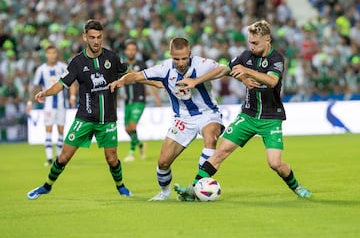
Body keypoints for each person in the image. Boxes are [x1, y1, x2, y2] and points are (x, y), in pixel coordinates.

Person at [174, 20, 312, 201]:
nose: (252, 47)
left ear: (267, 39)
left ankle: (297, 186)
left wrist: (247, 72)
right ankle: (193, 190)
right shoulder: (246, 55)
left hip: (271, 118)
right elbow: (223, 70)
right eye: (250, 42)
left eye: (255, 43)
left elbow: (272, 81)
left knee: (275, 163)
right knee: (220, 152)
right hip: (247, 116)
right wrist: (195, 81)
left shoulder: (276, 59)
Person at [27, 19, 134, 200]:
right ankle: (47, 186)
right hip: (84, 118)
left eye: (99, 37)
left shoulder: (112, 57)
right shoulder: (77, 62)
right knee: (64, 157)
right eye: (92, 37)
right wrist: (45, 93)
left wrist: (142, 80)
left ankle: (121, 186)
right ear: (85, 37)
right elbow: (61, 84)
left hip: (107, 118)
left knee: (112, 158)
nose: (96, 41)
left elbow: (129, 73)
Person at [109, 37, 225, 201]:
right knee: (163, 163)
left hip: (208, 113)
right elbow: (137, 76)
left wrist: (196, 81)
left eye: (184, 58)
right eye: (176, 58)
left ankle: (196, 187)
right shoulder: (164, 69)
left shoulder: (202, 64)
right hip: (183, 119)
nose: (181, 62)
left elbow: (224, 69)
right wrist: (121, 81)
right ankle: (164, 193)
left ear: (189, 54)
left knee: (210, 137)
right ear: (170, 55)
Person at [26, 44, 75, 167]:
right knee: (48, 129)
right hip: (48, 105)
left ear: (56, 54)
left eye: (54, 53)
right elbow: (35, 87)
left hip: (61, 104)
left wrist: (72, 96)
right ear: (46, 55)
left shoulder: (63, 67)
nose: (52, 55)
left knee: (60, 130)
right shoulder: (41, 69)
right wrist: (29, 102)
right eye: (49, 53)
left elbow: (72, 82)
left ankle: (59, 158)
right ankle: (48, 158)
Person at [121, 39, 162, 162]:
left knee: (133, 126)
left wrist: (157, 98)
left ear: (136, 51)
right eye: (129, 49)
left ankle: (131, 153)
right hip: (128, 101)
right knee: (127, 129)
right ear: (125, 51)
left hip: (139, 100)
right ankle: (140, 144)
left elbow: (148, 81)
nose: (131, 52)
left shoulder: (141, 64)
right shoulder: (122, 66)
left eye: (133, 49)